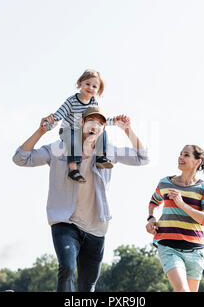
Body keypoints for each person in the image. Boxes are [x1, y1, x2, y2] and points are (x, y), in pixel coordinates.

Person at [12, 106, 149, 292]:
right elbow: (20, 158)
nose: (95, 125)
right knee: (67, 268)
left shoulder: (107, 153)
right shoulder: (59, 149)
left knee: (87, 286)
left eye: (100, 123)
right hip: (65, 222)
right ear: (81, 122)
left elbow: (143, 157)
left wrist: (127, 130)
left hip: (96, 227)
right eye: (91, 120)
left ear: (104, 129)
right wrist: (41, 131)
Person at [145, 145, 204, 292]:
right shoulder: (165, 183)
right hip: (168, 246)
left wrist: (182, 204)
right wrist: (151, 218)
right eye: (180, 154)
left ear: (197, 161)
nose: (180, 157)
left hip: (195, 251)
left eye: (186, 155)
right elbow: (153, 202)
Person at [43, 69, 120, 184]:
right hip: (69, 130)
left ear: (98, 90)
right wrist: (50, 121)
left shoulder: (94, 103)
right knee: (74, 138)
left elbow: (99, 121)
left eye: (94, 86)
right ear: (80, 83)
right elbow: (60, 114)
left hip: (84, 131)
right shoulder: (72, 101)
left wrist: (115, 121)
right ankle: (73, 170)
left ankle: (100, 157)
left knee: (102, 132)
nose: (90, 88)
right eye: (87, 84)